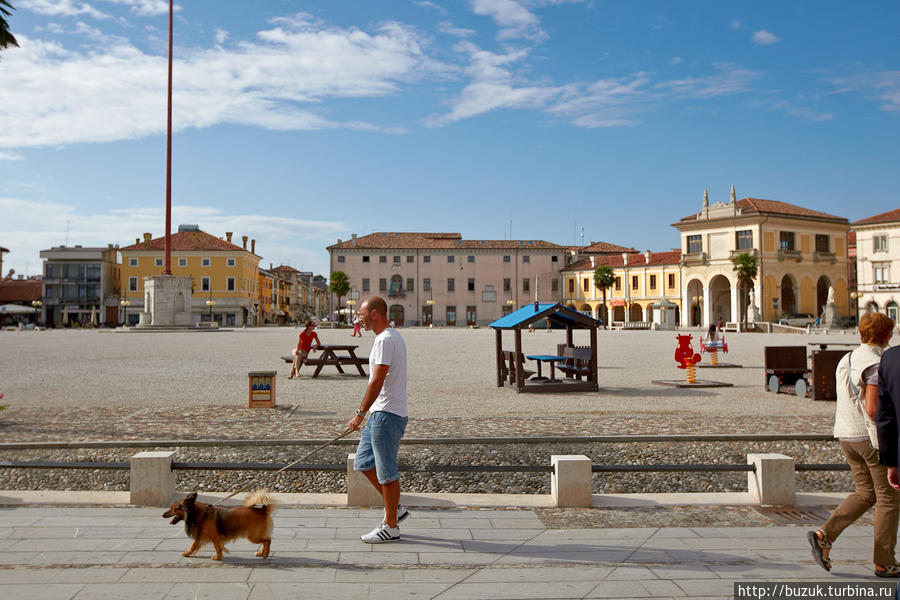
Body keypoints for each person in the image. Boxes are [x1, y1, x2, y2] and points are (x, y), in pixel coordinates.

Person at [809, 311, 900, 577]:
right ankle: (885, 562)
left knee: (865, 494)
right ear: (885, 335)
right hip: (869, 440)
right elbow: (872, 409)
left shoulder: (846, 358)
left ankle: (823, 535)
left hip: (846, 435)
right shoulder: (875, 363)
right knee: (889, 499)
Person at [347, 296, 409, 543]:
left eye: (361, 314)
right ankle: (396, 508)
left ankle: (391, 526)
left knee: (387, 473)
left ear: (374, 314)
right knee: (362, 462)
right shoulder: (388, 337)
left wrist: (360, 413)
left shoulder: (386, 340)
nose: (359, 318)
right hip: (381, 412)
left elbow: (377, 380)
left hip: (386, 414)